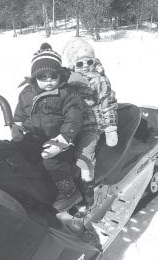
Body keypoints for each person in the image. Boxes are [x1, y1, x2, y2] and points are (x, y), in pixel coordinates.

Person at [11, 44, 84, 210]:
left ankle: (69, 191)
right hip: (36, 136)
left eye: (53, 76)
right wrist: (17, 125)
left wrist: (63, 139)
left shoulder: (67, 94)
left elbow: (74, 118)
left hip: (61, 139)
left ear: (60, 75)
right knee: (17, 150)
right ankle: (29, 184)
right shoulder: (27, 93)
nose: (49, 80)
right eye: (42, 77)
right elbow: (21, 112)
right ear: (35, 77)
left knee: (52, 161)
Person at [62, 38, 118, 213]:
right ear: (73, 65)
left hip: (90, 126)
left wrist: (110, 128)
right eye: (80, 63)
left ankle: (87, 194)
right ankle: (65, 191)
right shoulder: (67, 81)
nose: (86, 65)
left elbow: (107, 103)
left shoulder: (100, 80)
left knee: (84, 157)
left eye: (89, 61)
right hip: (70, 126)